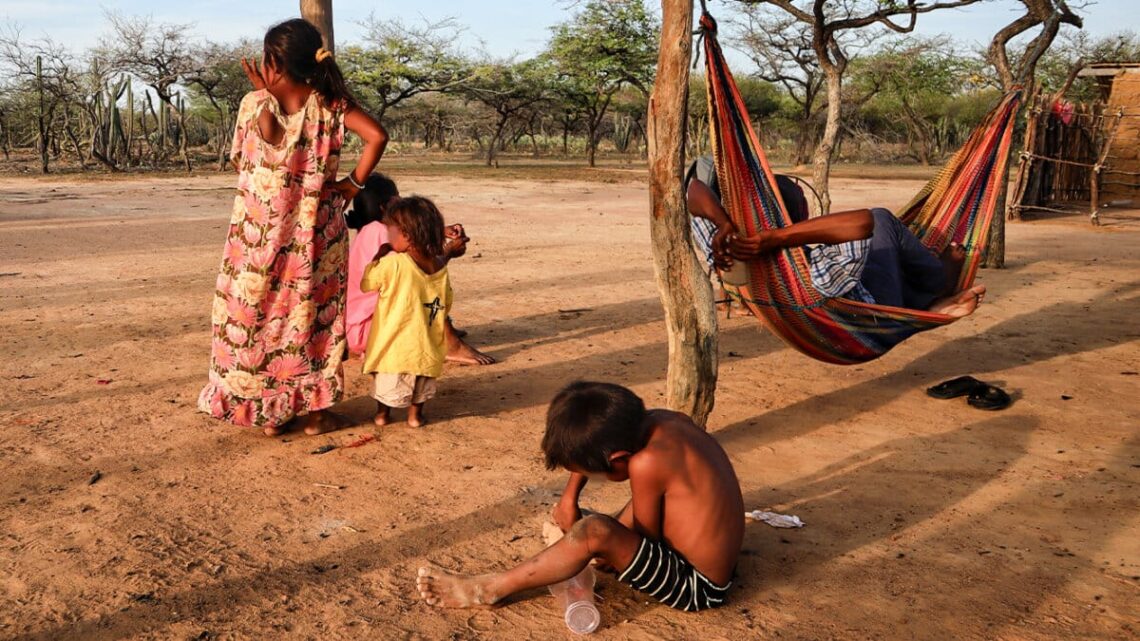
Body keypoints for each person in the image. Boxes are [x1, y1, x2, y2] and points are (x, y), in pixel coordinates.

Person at [198, 18, 388, 437]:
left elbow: (251, 155)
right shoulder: (332, 104)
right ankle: (316, 414)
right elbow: (377, 135)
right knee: (310, 320)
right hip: (316, 238)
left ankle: (270, 412)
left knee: (256, 319)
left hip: (257, 241)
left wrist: (265, 94)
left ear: (274, 64)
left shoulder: (254, 104)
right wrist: (353, 184)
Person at [416, 381, 744, 612]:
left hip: (698, 586)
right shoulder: (660, 421)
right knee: (590, 526)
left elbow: (646, 541)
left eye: (593, 471)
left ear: (617, 458)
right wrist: (568, 498)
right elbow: (592, 444)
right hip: (702, 551)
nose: (590, 476)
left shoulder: (648, 464)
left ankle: (487, 589)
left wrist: (602, 551)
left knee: (593, 531)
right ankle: (583, 538)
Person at [686, 159, 985, 317]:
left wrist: (724, 223)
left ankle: (927, 293)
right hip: (876, 303)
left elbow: (692, 189)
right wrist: (777, 239)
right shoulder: (815, 272)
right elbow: (865, 221)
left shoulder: (723, 248)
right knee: (883, 220)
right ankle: (935, 291)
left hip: (779, 289)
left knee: (882, 251)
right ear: (793, 221)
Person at [346, 173, 495, 365]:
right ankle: (449, 344)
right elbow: (423, 270)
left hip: (359, 331)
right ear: (387, 206)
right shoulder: (380, 232)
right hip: (371, 330)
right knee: (426, 283)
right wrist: (448, 252)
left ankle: (437, 330)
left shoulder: (370, 231)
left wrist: (439, 230)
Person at [360, 196, 453, 428]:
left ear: (406, 236)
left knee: (388, 381)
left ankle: (382, 415)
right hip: (426, 344)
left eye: (390, 231)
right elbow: (447, 301)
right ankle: (414, 417)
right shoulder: (439, 266)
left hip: (394, 344)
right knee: (421, 381)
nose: (387, 237)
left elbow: (367, 283)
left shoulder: (393, 263)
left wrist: (378, 256)